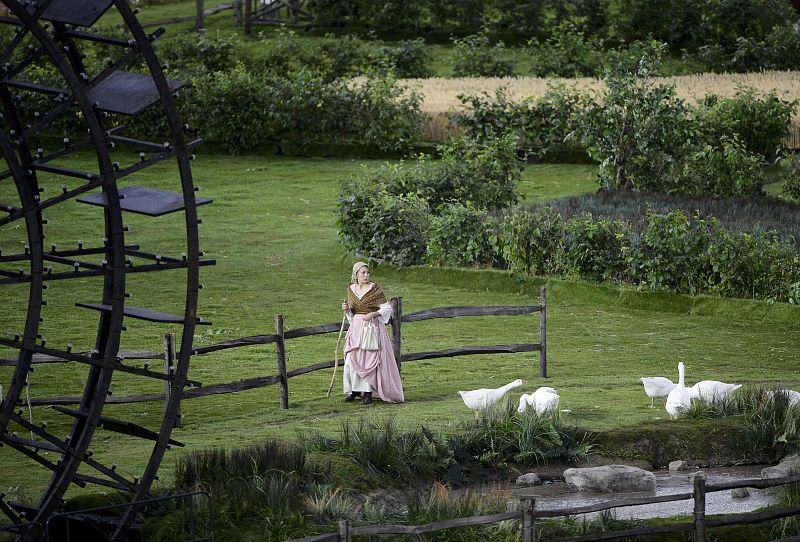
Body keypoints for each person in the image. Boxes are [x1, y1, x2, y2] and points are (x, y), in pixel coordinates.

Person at [340, 262, 404, 405]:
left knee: (369, 360)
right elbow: (352, 314)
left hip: (371, 328)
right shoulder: (350, 289)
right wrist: (346, 309)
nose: (366, 275)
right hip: (356, 328)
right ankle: (354, 390)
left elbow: (387, 309)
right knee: (352, 359)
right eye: (363, 273)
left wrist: (373, 314)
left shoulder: (375, 289)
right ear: (356, 274)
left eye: (367, 273)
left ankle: (368, 393)